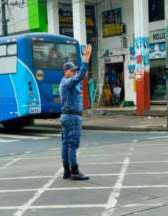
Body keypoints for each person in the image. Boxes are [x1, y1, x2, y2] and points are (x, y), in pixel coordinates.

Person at [59, 45, 92, 181]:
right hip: (72, 117)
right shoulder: (68, 83)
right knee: (72, 145)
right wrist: (86, 59)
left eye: (74, 71)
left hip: (67, 116)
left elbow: (79, 74)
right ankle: (74, 171)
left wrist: (82, 66)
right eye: (71, 71)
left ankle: (67, 170)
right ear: (66, 72)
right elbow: (80, 76)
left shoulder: (65, 82)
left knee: (66, 144)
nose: (73, 73)